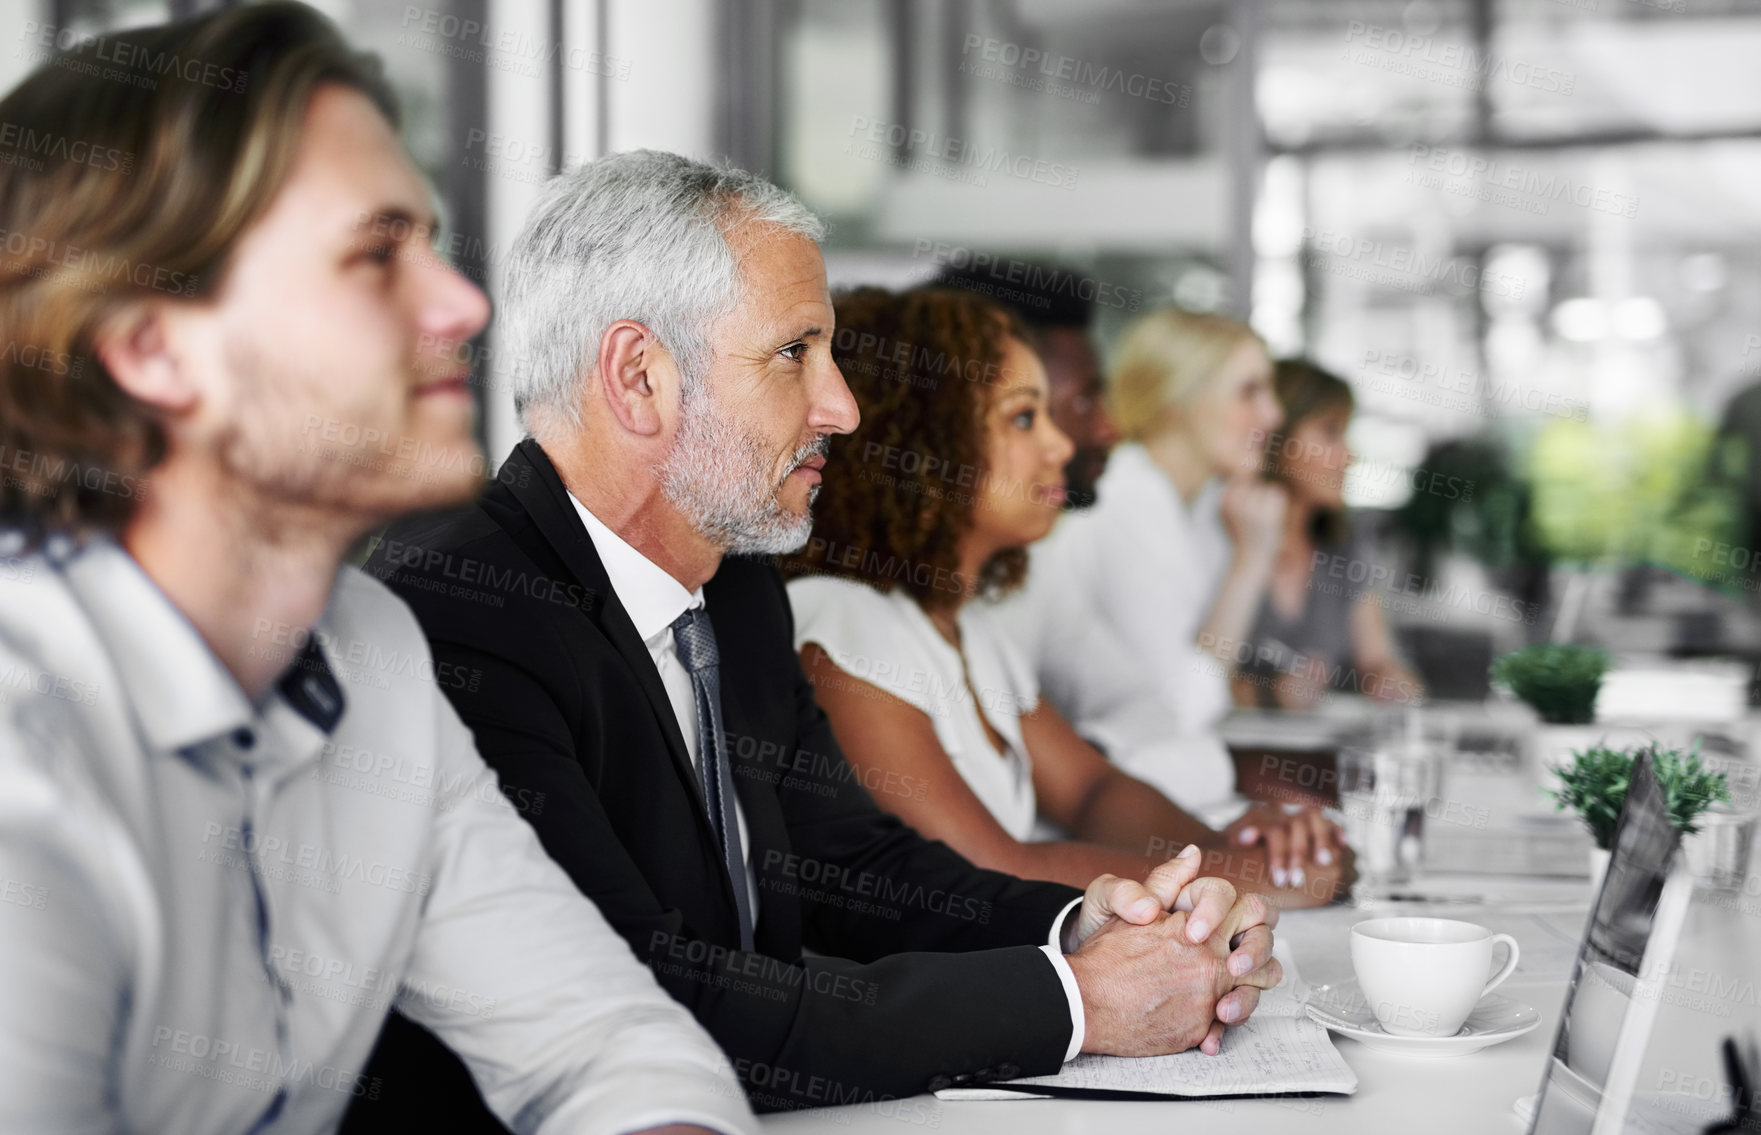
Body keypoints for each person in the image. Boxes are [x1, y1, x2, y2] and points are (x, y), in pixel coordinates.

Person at [350, 150, 1283, 1128]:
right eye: (796, 352)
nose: (842, 406)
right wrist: (1080, 1002)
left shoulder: (739, 588)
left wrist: (1087, 923)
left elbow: (854, 869)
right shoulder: (464, 614)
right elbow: (646, 996)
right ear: (638, 378)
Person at [0, 7, 753, 1135]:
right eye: (374, 254)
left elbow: (610, 1045)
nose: (463, 305)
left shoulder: (369, 653)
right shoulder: (24, 746)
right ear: (152, 349)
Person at [780, 286, 1347, 902]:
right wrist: (1246, 877)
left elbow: (1092, 790)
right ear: (927, 447)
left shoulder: (965, 628)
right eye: (1024, 418)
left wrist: (1227, 844)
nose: (1061, 445)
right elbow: (985, 866)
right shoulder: (842, 622)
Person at [939, 261, 1239, 812]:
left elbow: (1149, 712)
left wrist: (1087, 764)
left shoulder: (1027, 565)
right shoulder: (873, 605)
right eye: (1032, 416)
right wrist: (1074, 779)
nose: (1110, 428)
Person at [1010, 306, 1288, 741]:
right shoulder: (1128, 501)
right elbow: (1175, 714)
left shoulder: (1202, 507)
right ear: (1180, 400)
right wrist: (1250, 563)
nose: (1273, 415)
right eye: (1249, 391)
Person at [1235, 360, 1424, 709]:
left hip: (1316, 757)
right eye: (1330, 433)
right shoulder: (1224, 535)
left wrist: (1390, 680)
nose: (1348, 457)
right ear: (1278, 436)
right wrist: (1268, 694)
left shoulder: (1343, 546)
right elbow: (1179, 680)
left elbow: (1377, 660)